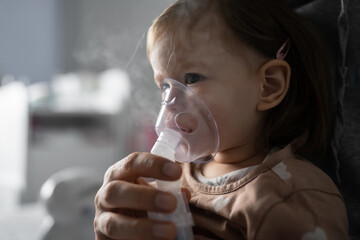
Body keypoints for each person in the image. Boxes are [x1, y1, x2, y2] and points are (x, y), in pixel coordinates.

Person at [94, 0, 349, 239]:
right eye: (164, 86)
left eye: (192, 78)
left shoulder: (289, 198)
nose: (170, 102)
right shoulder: (172, 178)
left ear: (269, 86)